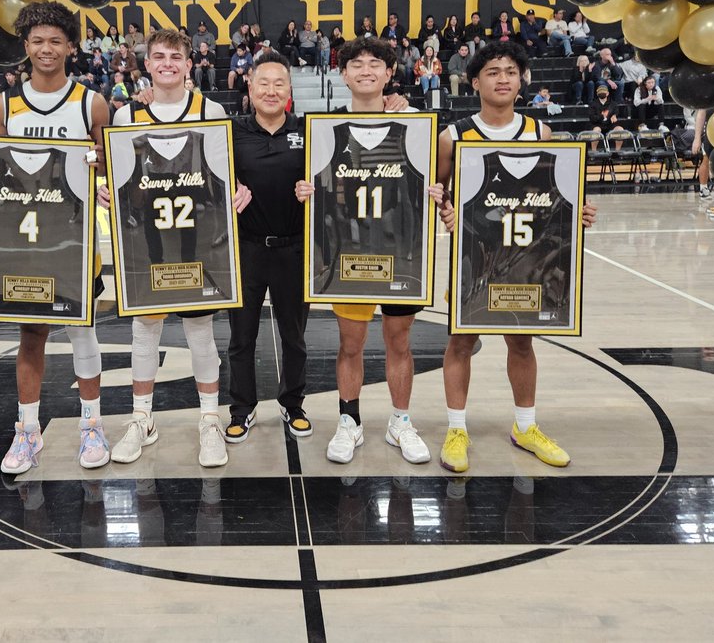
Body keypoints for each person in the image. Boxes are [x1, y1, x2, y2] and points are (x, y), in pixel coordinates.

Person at [0, 0, 112, 473]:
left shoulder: (92, 102)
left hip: (75, 235)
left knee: (82, 329)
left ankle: (91, 424)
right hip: (24, 240)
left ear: (71, 47)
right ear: (25, 46)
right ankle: (27, 431)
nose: (47, 49)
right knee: (31, 334)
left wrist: (97, 167)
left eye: (56, 41)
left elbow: (109, 163)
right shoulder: (5, 104)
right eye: (38, 41)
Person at [435, 41, 598, 473]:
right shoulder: (452, 137)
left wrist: (574, 211)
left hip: (525, 257)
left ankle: (525, 426)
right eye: (492, 71)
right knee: (461, 340)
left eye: (510, 70)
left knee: (521, 340)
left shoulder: (539, 133)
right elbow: (436, 194)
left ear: (521, 80)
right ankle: (456, 429)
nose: (503, 78)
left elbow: (552, 196)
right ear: (475, 81)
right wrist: (444, 209)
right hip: (474, 259)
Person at [295, 37, 447, 466]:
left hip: (400, 250)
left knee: (399, 342)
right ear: (342, 74)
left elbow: (436, 175)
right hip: (348, 252)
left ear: (389, 73)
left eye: (374, 64)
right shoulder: (324, 128)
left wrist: (438, 190)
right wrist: (304, 189)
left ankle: (400, 421)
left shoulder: (415, 122)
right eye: (356, 64)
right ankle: (350, 421)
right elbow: (314, 183)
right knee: (350, 344)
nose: (365, 70)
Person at [103, 29, 249, 470]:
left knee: (199, 328)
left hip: (196, 232)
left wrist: (238, 190)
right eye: (159, 56)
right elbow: (119, 177)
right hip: (146, 234)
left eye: (175, 57)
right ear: (146, 64)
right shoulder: (127, 116)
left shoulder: (212, 110)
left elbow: (224, 174)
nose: (167, 63)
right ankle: (142, 418)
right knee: (145, 327)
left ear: (190, 65)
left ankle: (209, 419)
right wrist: (107, 191)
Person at [226, 49, 311, 441]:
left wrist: (312, 189)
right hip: (247, 249)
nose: (271, 90)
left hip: (294, 249)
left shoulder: (307, 130)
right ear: (250, 85)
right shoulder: (232, 130)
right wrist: (230, 189)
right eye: (264, 83)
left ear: (290, 88)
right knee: (242, 337)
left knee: (293, 336)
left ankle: (292, 404)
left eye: (280, 83)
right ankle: (242, 409)